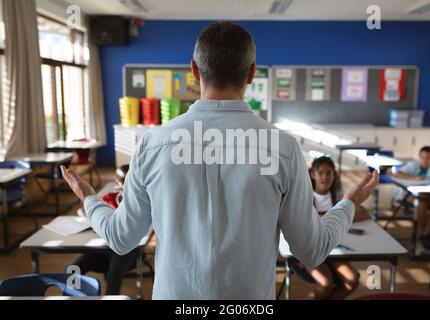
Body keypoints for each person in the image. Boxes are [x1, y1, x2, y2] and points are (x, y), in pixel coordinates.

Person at [60, 22, 378, 299]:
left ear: (195, 70)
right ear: (252, 73)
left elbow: (120, 237)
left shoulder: (152, 144)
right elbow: (311, 249)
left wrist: (89, 198)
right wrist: (348, 203)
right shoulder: (282, 147)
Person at [286, 156, 371, 299]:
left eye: (329, 173)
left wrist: (328, 216)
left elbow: (365, 213)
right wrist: (337, 215)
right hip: (309, 250)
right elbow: (296, 224)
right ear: (313, 174)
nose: (325, 177)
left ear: (334, 174)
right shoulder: (304, 195)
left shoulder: (338, 197)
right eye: (321, 173)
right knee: (325, 282)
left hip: (333, 247)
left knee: (352, 280)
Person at [71, 165, 139, 295]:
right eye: (123, 181)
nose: (127, 185)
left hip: (126, 250)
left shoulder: (139, 201)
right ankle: (72, 296)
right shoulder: (108, 199)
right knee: (73, 269)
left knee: (113, 274)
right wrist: (87, 215)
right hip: (102, 247)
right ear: (117, 183)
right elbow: (88, 212)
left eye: (130, 180)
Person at [393, 146, 430, 250]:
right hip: (410, 195)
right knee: (422, 204)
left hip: (426, 194)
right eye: (423, 157)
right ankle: (421, 232)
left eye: (428, 158)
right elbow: (397, 174)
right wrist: (414, 178)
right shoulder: (412, 164)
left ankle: (425, 233)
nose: (425, 160)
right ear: (419, 157)